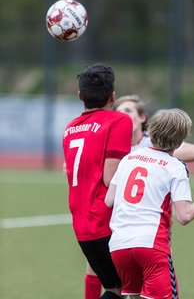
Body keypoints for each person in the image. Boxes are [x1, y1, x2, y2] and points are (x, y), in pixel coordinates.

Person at [86, 94, 194, 298]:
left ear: (150, 129)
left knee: (127, 295)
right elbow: (184, 216)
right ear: (179, 142)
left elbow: (109, 201)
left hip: (119, 246)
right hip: (151, 245)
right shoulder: (176, 166)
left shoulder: (128, 159)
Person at [63, 64, 133, 299]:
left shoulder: (70, 128)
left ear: (80, 96)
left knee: (113, 288)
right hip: (107, 221)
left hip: (82, 224)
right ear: (113, 96)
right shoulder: (119, 121)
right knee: (134, 289)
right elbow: (110, 177)